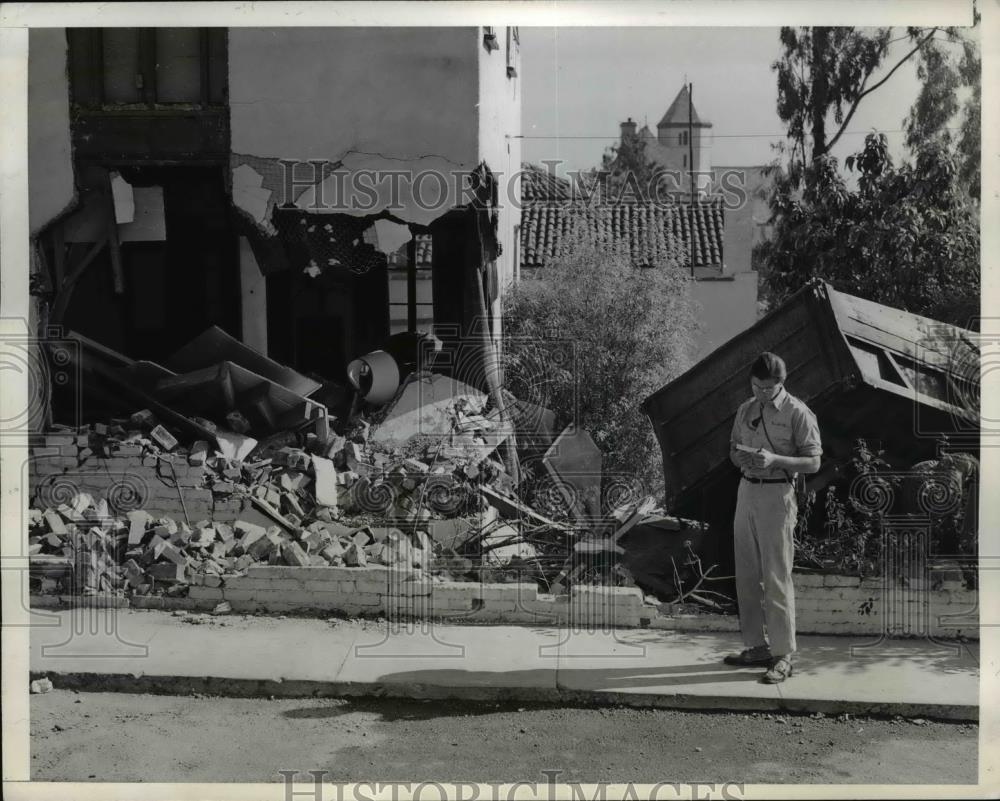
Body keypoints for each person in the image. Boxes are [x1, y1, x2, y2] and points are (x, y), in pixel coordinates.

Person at [724, 352, 822, 683]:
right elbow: (733, 449)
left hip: (777, 495)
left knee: (777, 577)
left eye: (768, 388)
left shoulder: (798, 412)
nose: (762, 394)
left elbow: (813, 462)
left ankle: (783, 656)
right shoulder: (745, 409)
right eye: (756, 387)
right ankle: (756, 647)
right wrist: (741, 459)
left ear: (781, 383)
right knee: (747, 575)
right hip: (746, 492)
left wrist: (776, 459)